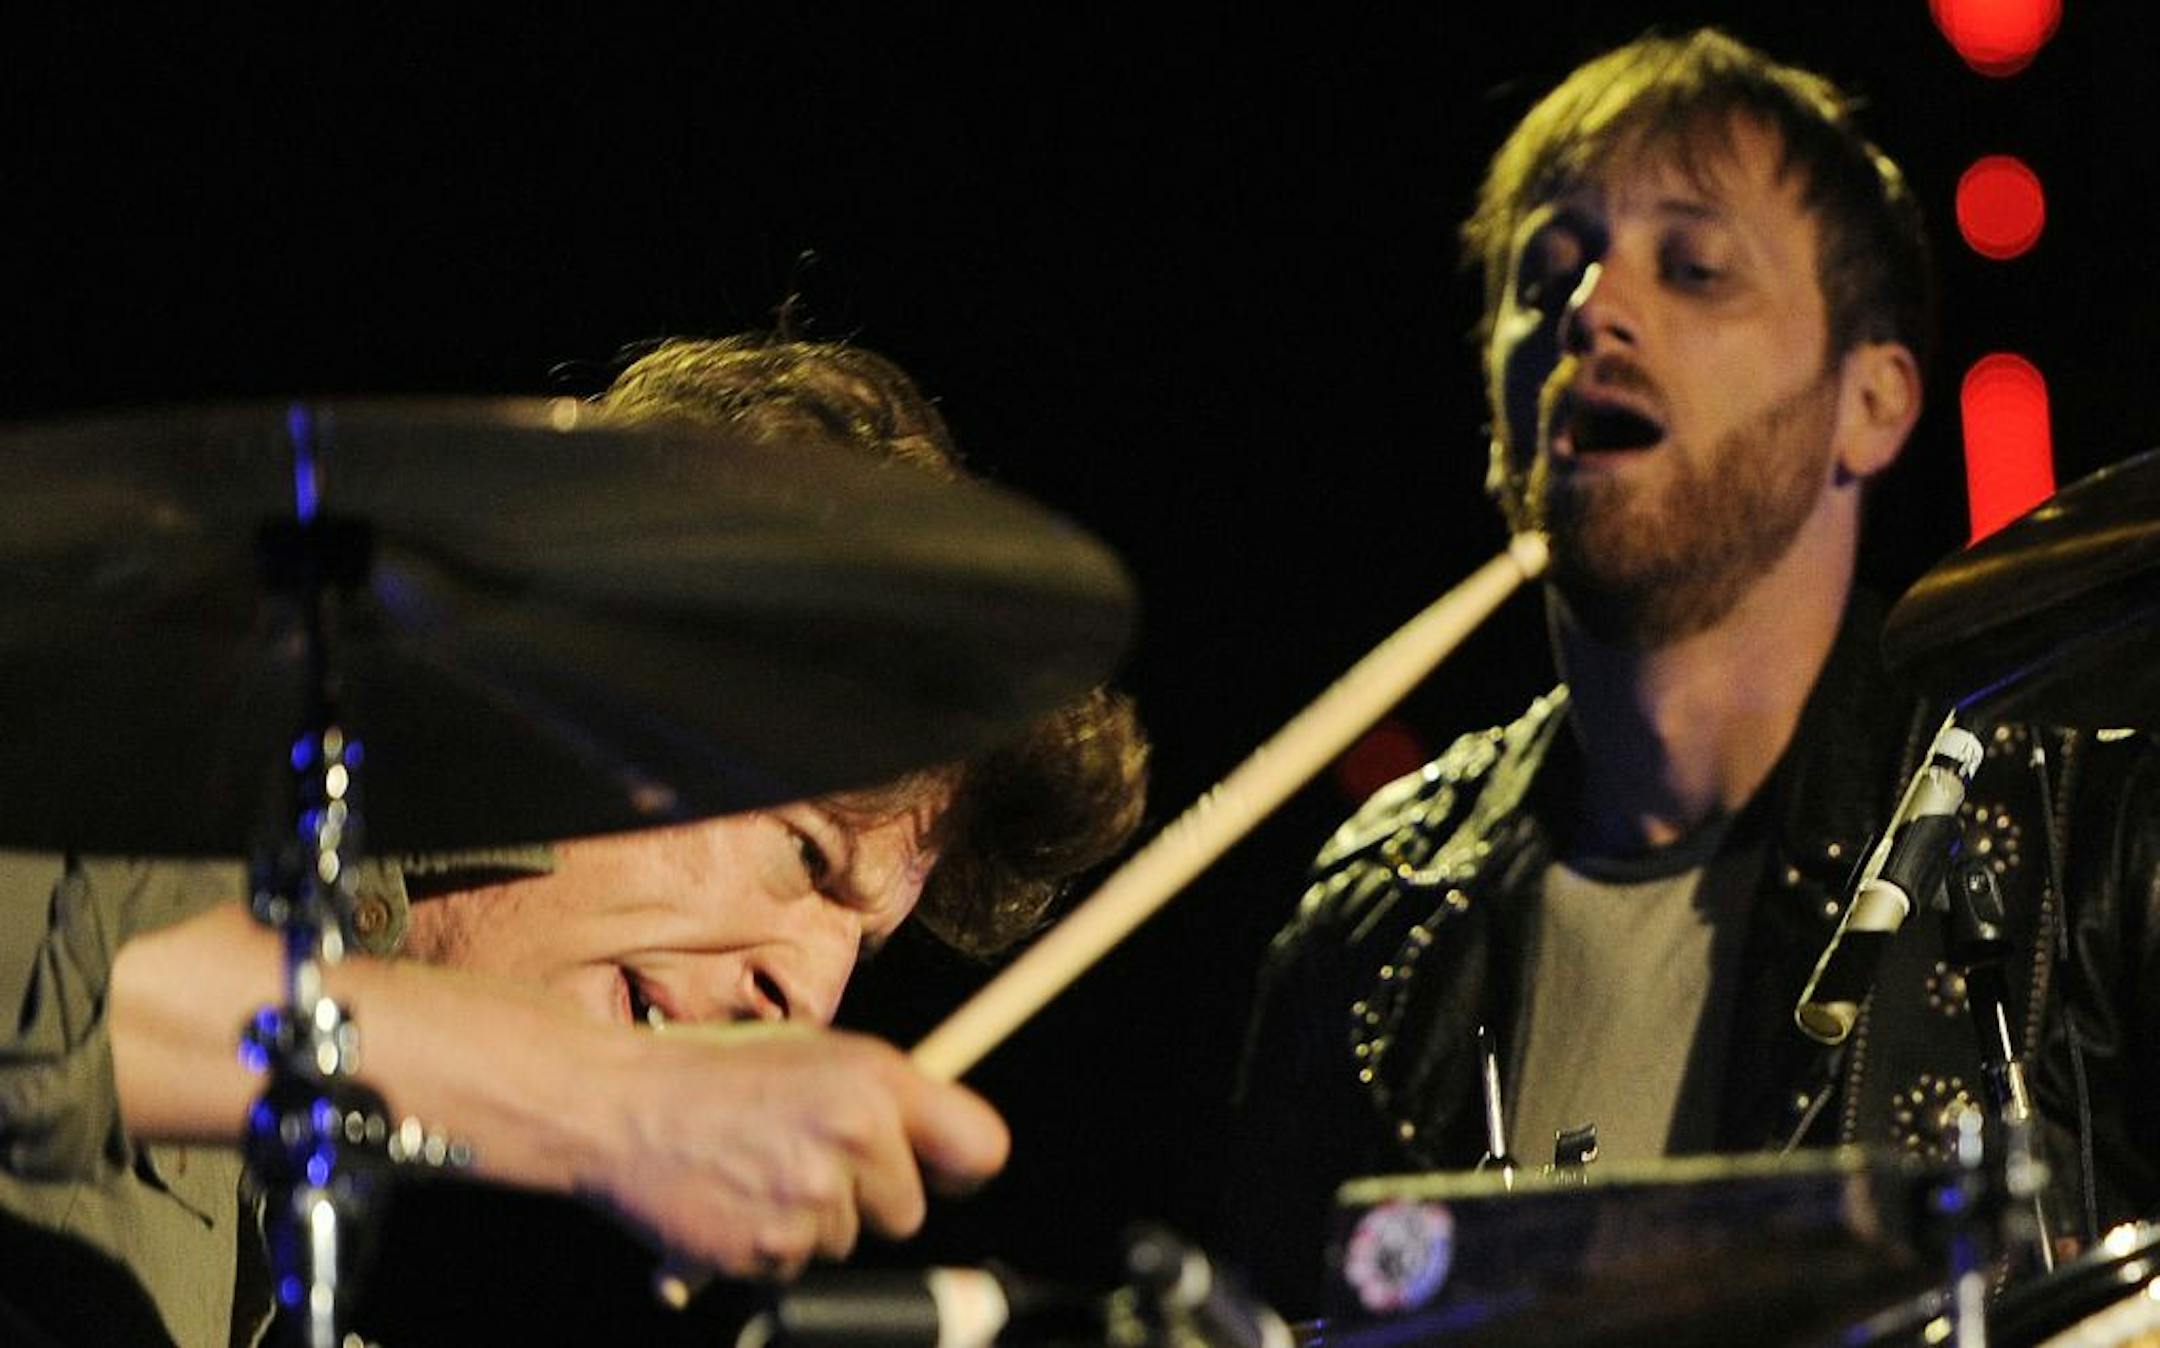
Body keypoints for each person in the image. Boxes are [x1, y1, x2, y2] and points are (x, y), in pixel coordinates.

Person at [1228, 29, 2160, 1318]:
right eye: (1545, 270)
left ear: (1874, 402)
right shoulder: (1375, 916)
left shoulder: (2084, 825)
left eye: (1697, 268)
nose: (1592, 308)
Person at [0, 335, 1149, 1346]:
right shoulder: (113, 798)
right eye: (803, 855)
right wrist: (612, 1104)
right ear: (584, 697)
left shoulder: (292, 1199)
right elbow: (59, 1010)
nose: (807, 989)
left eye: (864, 942)